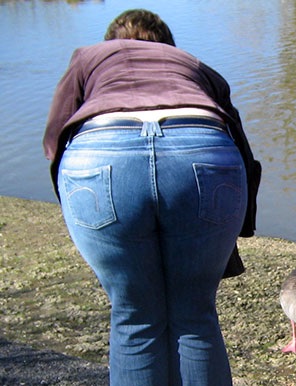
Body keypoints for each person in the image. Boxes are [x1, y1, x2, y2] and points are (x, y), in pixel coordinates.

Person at [42, 9, 260, 385]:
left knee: (135, 317)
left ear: (112, 42)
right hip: (201, 145)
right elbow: (241, 148)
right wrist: (238, 229)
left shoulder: (89, 57)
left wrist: (78, 209)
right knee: (195, 315)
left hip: (101, 153)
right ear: (167, 48)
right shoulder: (194, 65)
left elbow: (54, 139)